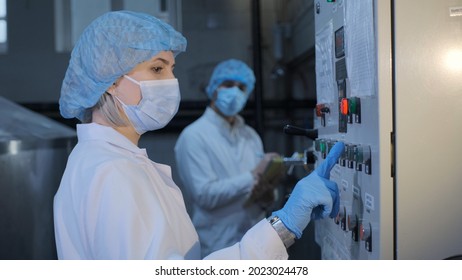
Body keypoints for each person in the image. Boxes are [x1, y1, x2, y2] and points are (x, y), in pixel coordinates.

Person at [53, 10, 344, 260]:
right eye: (157, 68)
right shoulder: (111, 172)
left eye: (171, 69)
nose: (171, 83)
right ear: (109, 81)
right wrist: (284, 226)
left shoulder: (110, 160)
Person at [174, 59, 283, 257]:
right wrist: (253, 176)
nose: (235, 92)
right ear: (214, 88)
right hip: (218, 247)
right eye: (228, 85)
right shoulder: (193, 136)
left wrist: (268, 197)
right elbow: (204, 195)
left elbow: (260, 190)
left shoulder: (250, 135)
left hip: (257, 243)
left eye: (242, 87)